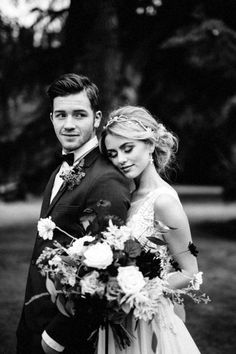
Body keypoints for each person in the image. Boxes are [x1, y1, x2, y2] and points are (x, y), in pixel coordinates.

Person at [16, 74, 131, 354]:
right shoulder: (61, 170)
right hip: (34, 316)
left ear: (96, 118)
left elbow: (107, 274)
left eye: (79, 114)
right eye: (61, 115)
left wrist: (53, 339)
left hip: (65, 340)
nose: (68, 124)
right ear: (51, 118)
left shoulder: (106, 179)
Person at [98, 105, 201, 353]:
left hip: (148, 320)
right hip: (119, 319)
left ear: (151, 145)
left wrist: (136, 291)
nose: (120, 159)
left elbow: (189, 272)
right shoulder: (128, 197)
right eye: (112, 153)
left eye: (127, 148)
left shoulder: (163, 201)